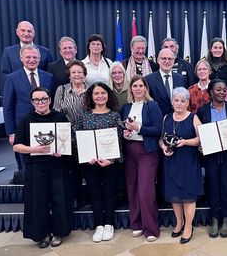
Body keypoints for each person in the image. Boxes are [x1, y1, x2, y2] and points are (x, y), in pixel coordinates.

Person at [13, 87, 72, 248]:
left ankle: (59, 232)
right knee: (38, 201)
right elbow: (17, 147)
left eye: (44, 99)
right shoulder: (26, 119)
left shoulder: (60, 117)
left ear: (50, 100)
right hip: (35, 166)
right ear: (32, 102)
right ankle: (42, 233)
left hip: (57, 165)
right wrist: (34, 149)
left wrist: (63, 150)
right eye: (37, 100)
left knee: (59, 199)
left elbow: (68, 141)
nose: (41, 102)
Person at [75, 82, 123, 243]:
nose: (100, 96)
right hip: (90, 163)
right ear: (91, 96)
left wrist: (111, 160)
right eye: (96, 93)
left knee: (109, 193)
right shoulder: (84, 115)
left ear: (108, 95)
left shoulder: (115, 115)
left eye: (103, 93)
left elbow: (119, 140)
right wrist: (86, 155)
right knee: (94, 193)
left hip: (110, 163)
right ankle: (99, 225)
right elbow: (78, 138)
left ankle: (109, 223)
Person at [3, 44, 54, 183]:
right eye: (28, 57)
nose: (32, 60)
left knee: (47, 164)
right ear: (21, 58)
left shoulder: (48, 77)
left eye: (35, 57)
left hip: (46, 128)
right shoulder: (12, 78)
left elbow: (53, 102)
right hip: (23, 128)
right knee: (26, 166)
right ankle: (31, 198)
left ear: (39, 58)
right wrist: (11, 132)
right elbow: (7, 107)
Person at [121, 75, 162, 242]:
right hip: (130, 151)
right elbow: (124, 127)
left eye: (141, 85)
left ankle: (151, 228)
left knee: (145, 191)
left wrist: (139, 128)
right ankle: (136, 223)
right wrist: (126, 132)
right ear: (131, 89)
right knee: (132, 189)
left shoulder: (152, 105)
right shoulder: (126, 107)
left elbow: (158, 130)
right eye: (135, 86)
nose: (138, 88)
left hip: (147, 152)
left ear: (145, 88)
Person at [159, 87, 203, 244]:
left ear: (187, 103)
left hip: (188, 161)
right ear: (172, 102)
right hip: (171, 161)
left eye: (183, 101)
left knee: (188, 196)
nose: (179, 103)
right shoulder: (166, 118)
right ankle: (179, 222)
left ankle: (188, 227)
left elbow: (201, 139)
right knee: (175, 196)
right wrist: (164, 147)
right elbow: (161, 138)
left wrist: (186, 142)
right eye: (176, 100)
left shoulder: (193, 118)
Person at [197, 79, 227, 238]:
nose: (222, 92)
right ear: (211, 92)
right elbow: (199, 133)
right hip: (211, 155)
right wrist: (200, 145)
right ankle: (214, 219)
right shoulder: (202, 111)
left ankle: (226, 220)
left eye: (224, 90)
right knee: (213, 186)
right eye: (218, 90)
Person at [53, 60, 88, 207]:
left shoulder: (92, 89)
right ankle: (74, 199)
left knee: (88, 169)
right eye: (73, 72)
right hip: (66, 135)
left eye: (79, 72)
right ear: (69, 75)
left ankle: (88, 199)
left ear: (84, 75)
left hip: (86, 134)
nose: (77, 75)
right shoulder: (61, 90)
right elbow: (55, 112)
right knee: (71, 170)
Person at [146, 48, 187, 116]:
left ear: (174, 61)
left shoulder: (181, 79)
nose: (167, 61)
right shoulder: (148, 79)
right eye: (164, 58)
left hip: (178, 119)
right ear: (158, 60)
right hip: (158, 119)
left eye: (170, 59)